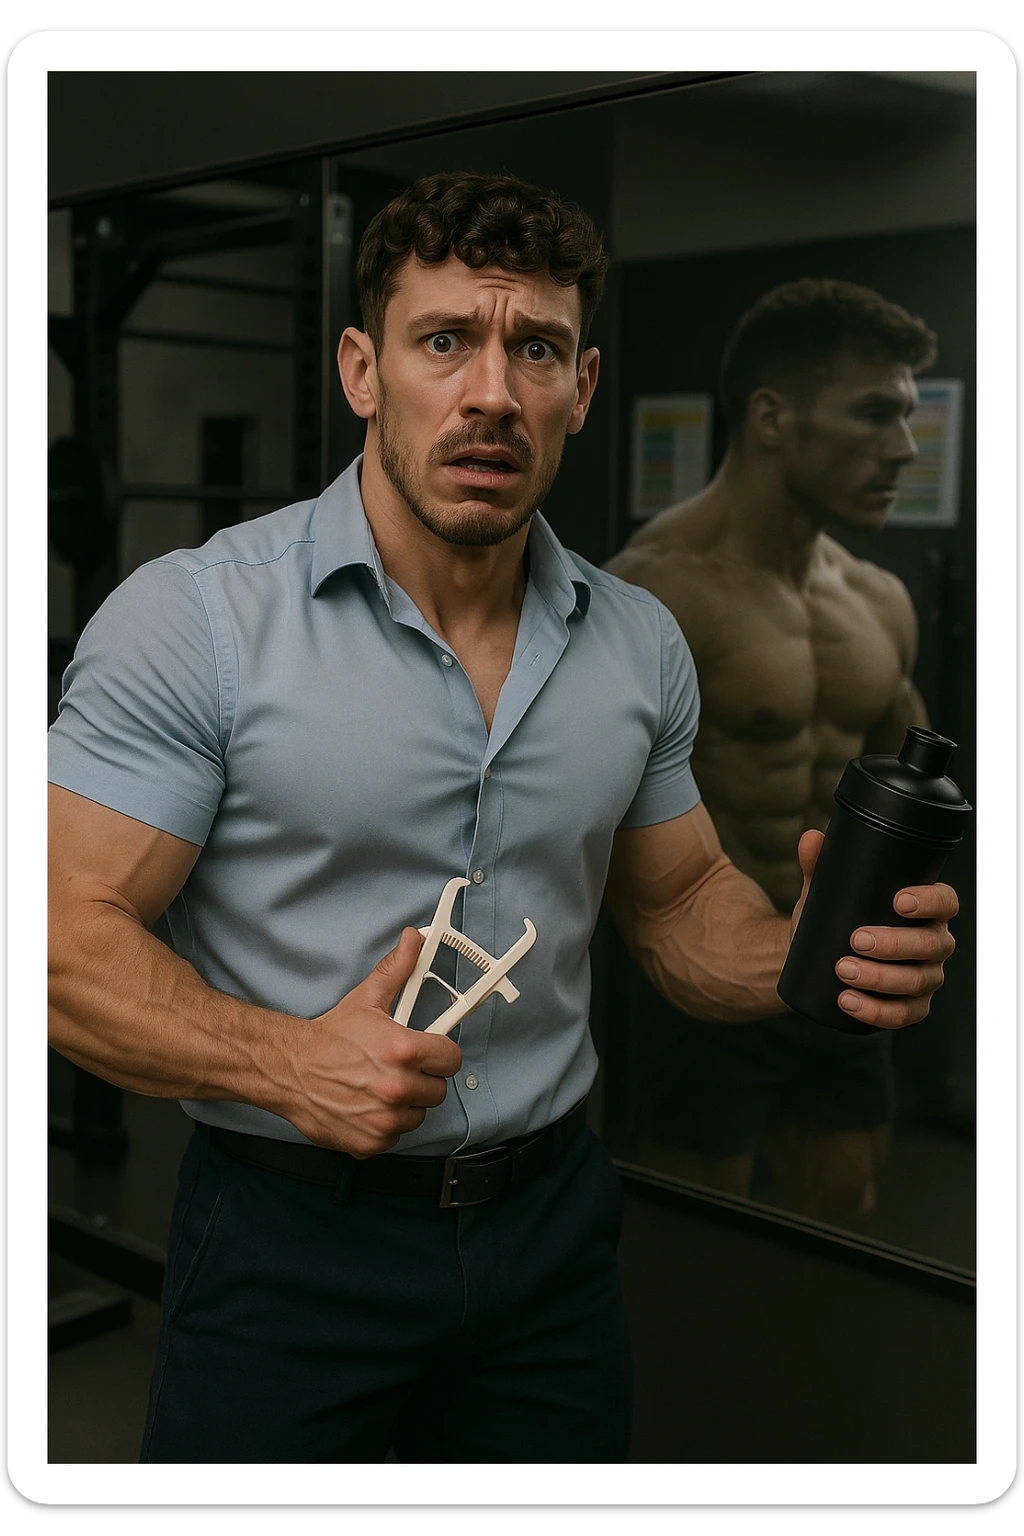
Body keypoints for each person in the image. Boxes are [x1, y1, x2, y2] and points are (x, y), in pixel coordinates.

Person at [47, 177, 959, 1465]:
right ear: (362, 371)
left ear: (581, 388)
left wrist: (806, 951)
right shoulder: (196, 621)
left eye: (534, 349)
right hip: (291, 1239)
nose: (492, 392)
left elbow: (682, 904)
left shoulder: (635, 641)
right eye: (443, 342)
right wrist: (285, 1062)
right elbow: (58, 938)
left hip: (549, 1243)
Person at [604, 279, 939, 1221]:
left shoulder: (878, 602)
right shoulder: (656, 596)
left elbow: (892, 801)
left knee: (844, 1218)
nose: (905, 449)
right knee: (702, 1247)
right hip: (702, 987)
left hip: (838, 972)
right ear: (772, 418)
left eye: (907, 417)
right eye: (876, 414)